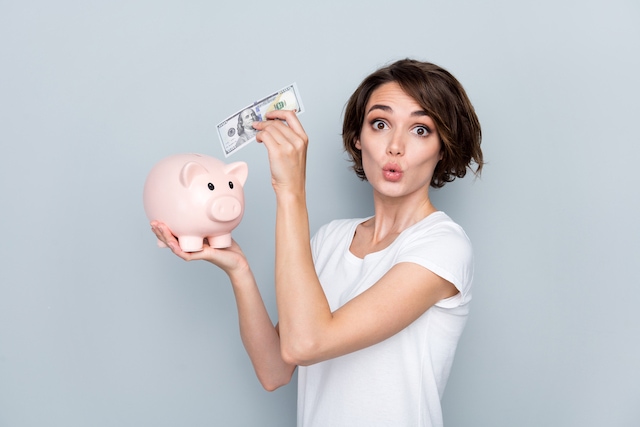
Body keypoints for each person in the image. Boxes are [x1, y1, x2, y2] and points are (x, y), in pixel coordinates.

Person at [151, 58, 483, 427]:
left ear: (443, 148)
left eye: (421, 130)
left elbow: (305, 345)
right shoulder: (331, 238)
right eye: (380, 123)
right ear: (358, 138)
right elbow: (275, 369)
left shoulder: (443, 247)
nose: (395, 146)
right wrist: (239, 269)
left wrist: (290, 190)